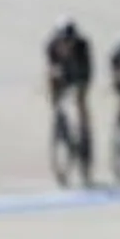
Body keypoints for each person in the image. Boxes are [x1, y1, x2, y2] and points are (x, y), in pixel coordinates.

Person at [44, 18, 93, 177]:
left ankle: (84, 140)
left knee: (80, 102)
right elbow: (50, 69)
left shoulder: (82, 47)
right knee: (55, 95)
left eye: (69, 43)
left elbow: (87, 74)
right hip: (62, 75)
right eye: (63, 43)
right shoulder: (50, 46)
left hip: (79, 74)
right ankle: (61, 127)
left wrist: (79, 92)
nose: (66, 46)